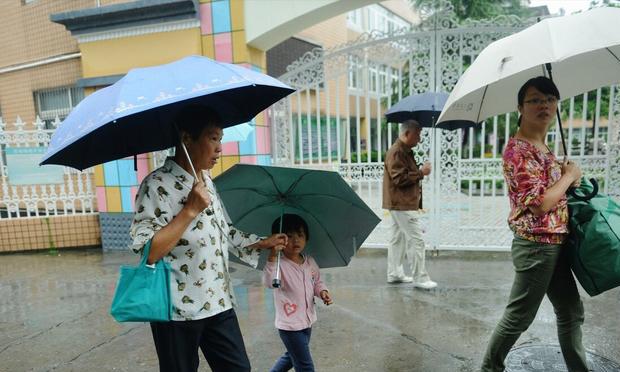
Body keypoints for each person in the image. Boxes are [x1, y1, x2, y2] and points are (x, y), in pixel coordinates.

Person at [130, 104, 287, 372]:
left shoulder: (206, 181)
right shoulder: (156, 185)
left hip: (217, 300)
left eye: (220, 139)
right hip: (176, 309)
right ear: (186, 139)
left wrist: (262, 242)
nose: (219, 149)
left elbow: (223, 230)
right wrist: (189, 210)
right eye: (213, 138)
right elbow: (147, 251)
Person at [481, 76, 588, 371]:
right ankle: (489, 368)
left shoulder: (543, 145)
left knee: (570, 311)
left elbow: (556, 194)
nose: (544, 105)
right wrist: (567, 177)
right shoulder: (518, 151)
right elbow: (540, 204)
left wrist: (569, 176)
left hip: (555, 242)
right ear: (520, 107)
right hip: (536, 246)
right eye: (535, 100)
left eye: (550, 99)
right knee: (519, 316)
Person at [263, 214, 333, 372]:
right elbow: (269, 282)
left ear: (306, 238)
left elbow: (317, 281)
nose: (296, 240)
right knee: (305, 365)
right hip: (289, 325)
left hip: (307, 321)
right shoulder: (279, 264)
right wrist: (273, 255)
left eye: (300, 235)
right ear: (279, 239)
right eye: (289, 236)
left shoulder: (309, 262)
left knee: (291, 357)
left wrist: (322, 291)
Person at [382, 119, 437, 289]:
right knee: (416, 240)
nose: (419, 139)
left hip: (398, 202)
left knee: (397, 239)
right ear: (407, 134)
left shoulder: (403, 151)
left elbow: (403, 173)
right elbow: (399, 178)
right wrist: (421, 172)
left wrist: (418, 172)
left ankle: (395, 273)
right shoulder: (397, 151)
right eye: (417, 134)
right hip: (402, 203)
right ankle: (420, 277)